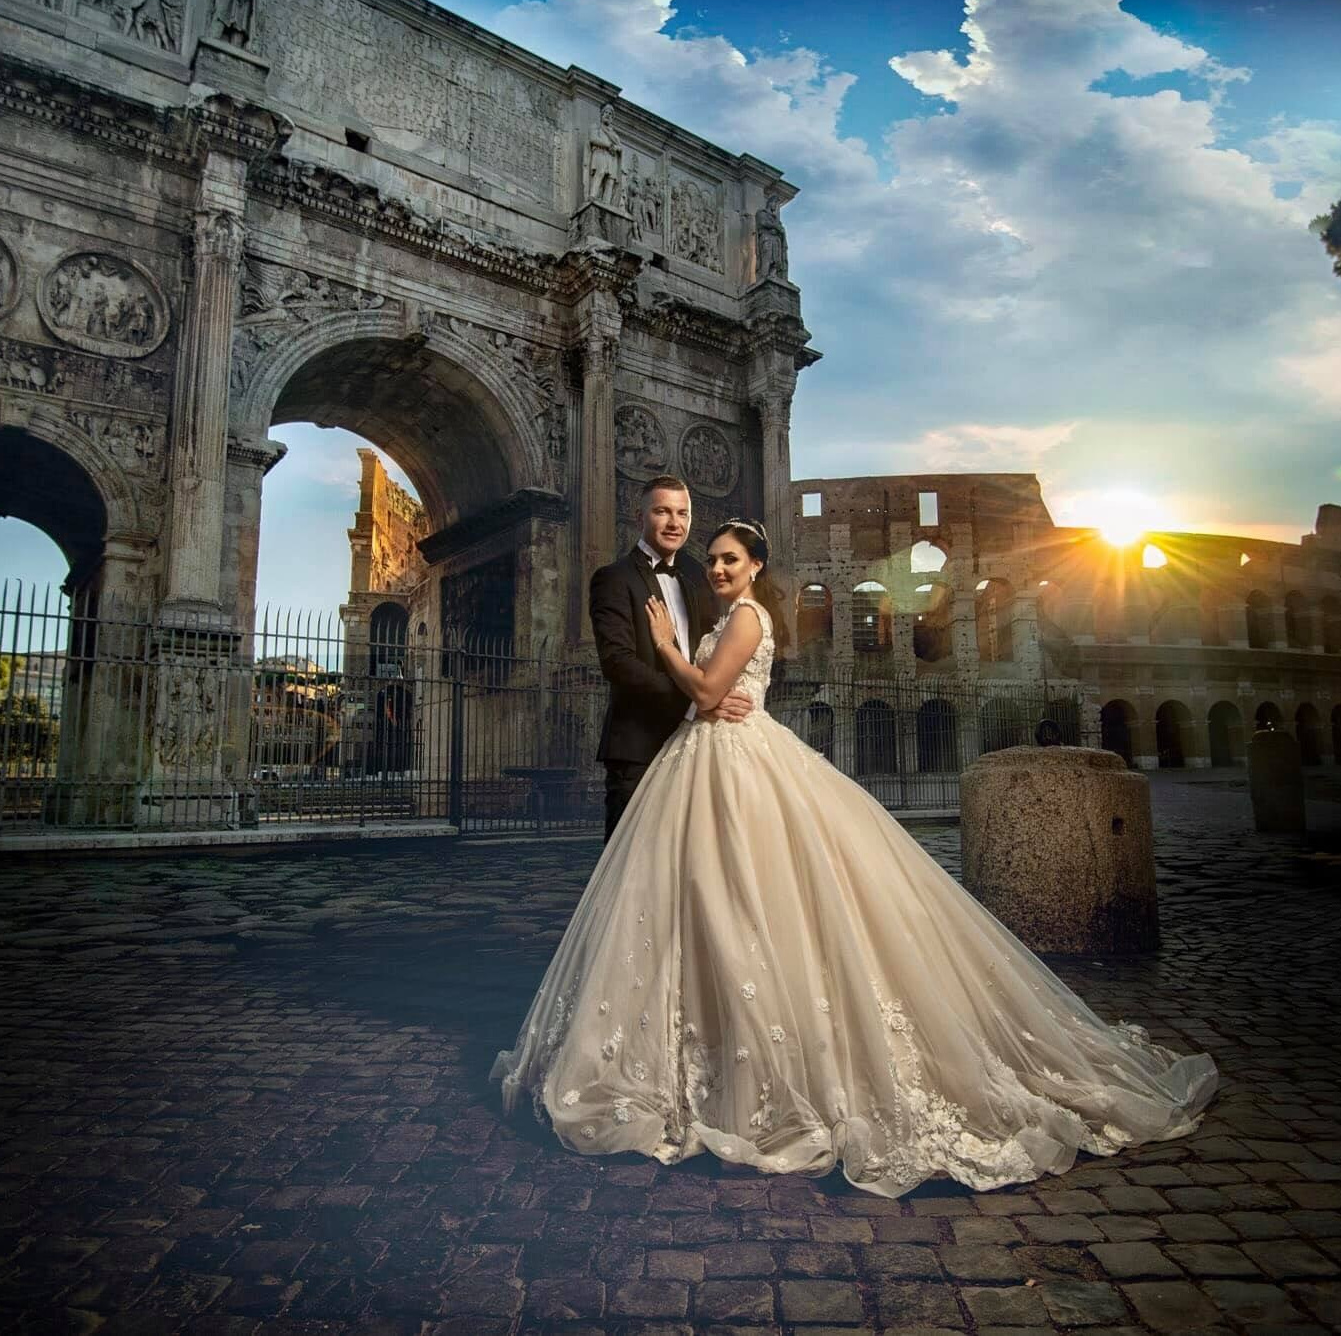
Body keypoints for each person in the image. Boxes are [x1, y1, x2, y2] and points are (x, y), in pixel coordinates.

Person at [491, 519, 1217, 1197]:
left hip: (737, 763)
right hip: (707, 759)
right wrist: (695, 677)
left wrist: (672, 652)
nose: (715, 567)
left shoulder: (745, 618)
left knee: (746, 893)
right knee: (700, 897)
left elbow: (711, 691)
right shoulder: (726, 617)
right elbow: (709, 700)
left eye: (728, 559)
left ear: (755, 568)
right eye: (710, 559)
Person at [587, 475, 753, 841]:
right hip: (638, 747)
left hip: (700, 745)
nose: (674, 523)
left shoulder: (700, 574)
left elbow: (718, 646)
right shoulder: (612, 579)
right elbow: (617, 662)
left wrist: (715, 697)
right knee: (630, 865)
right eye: (662, 511)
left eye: (683, 513)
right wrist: (697, 702)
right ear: (640, 516)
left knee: (689, 861)